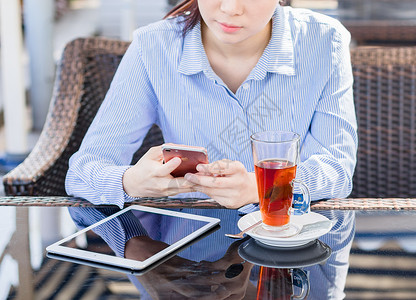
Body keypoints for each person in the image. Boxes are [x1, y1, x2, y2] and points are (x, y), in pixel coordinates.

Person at [66, 0, 357, 297]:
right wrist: (131, 181)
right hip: (181, 247)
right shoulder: (153, 46)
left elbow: (337, 167)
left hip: (293, 245)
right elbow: (82, 171)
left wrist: (260, 189)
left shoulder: (323, 40)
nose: (230, 8)